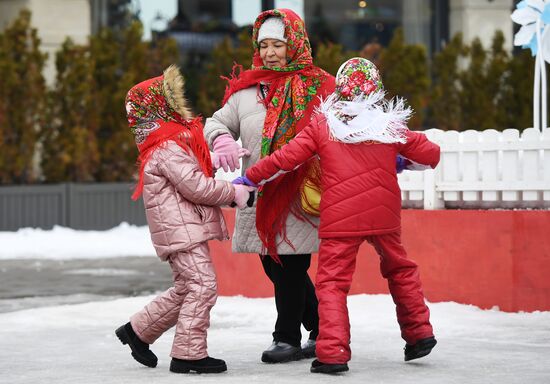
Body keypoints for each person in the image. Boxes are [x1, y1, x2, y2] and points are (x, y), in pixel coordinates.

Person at [238, 58, 440, 374]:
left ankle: (333, 353)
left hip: (341, 217)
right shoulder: (389, 126)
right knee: (400, 268)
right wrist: (400, 161)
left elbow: (285, 159)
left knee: (332, 282)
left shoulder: (324, 125)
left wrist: (250, 177)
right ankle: (419, 334)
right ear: (377, 88)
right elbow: (430, 156)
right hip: (383, 214)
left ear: (340, 89)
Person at [203, 8, 336, 364]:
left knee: (290, 264)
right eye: (264, 45)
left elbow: (342, 129)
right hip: (259, 192)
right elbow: (214, 122)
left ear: (295, 43)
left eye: (278, 43)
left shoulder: (318, 86)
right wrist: (220, 141)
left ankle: (287, 338)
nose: (271, 52)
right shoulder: (247, 90)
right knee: (273, 265)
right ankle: (323, 327)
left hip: (299, 190)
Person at [115, 65, 253, 374]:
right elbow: (197, 187)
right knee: (202, 286)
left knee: (187, 287)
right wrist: (233, 193)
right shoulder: (166, 147)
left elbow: (189, 173)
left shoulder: (165, 144)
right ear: (160, 107)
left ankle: (137, 332)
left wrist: (214, 160)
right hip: (181, 230)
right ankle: (188, 353)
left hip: (181, 228)